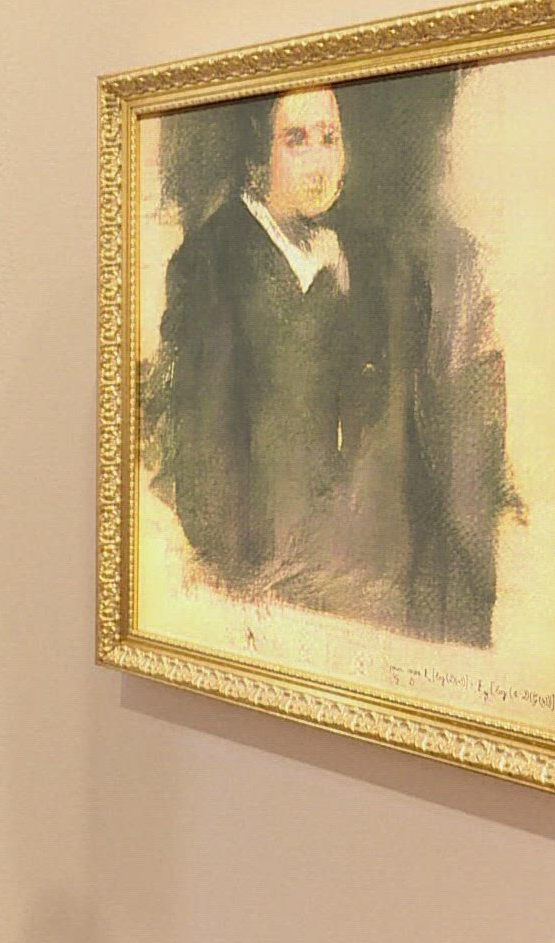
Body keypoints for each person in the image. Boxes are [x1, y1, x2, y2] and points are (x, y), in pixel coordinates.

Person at [147, 85, 517, 645]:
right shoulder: (211, 264)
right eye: (296, 141)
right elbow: (204, 452)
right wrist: (247, 574)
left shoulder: (372, 258)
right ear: (257, 156)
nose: (319, 163)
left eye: (329, 139)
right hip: (273, 591)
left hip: (375, 582)